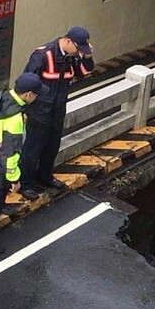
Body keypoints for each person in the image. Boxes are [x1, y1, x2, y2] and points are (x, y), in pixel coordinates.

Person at [0, 73, 48, 256]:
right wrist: (14, 179)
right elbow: (10, 156)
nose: (36, 97)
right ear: (28, 95)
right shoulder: (15, 121)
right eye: (36, 94)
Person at [19, 26, 95, 200]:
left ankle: (44, 176)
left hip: (57, 110)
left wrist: (87, 58)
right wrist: (23, 110)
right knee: (32, 149)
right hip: (39, 112)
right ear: (68, 41)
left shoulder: (72, 58)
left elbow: (84, 73)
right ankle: (26, 183)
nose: (79, 52)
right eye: (78, 48)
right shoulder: (42, 55)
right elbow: (25, 85)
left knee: (52, 146)